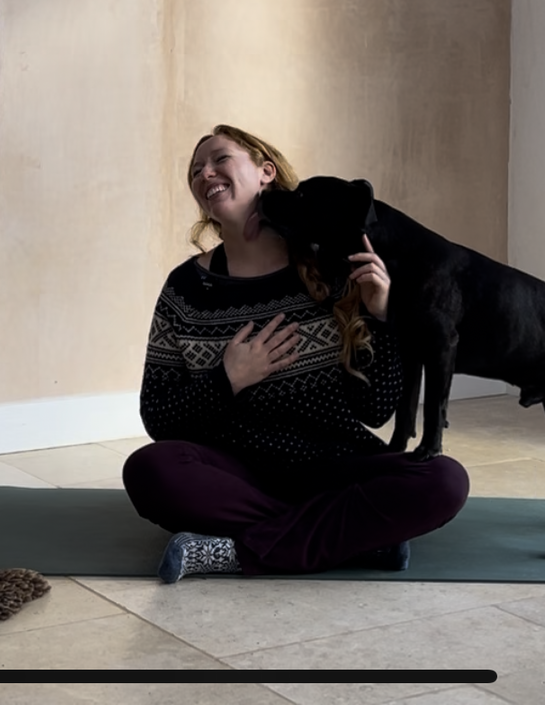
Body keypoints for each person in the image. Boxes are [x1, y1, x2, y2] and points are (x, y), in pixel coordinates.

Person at [122, 126, 470, 582]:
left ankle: (232, 553)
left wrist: (383, 318)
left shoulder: (332, 270)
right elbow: (159, 417)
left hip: (335, 466)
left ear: (266, 172)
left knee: (445, 481)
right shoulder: (185, 290)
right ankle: (351, 535)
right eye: (195, 171)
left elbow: (376, 408)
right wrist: (228, 379)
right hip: (237, 473)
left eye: (219, 160)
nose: (205, 174)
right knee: (150, 471)